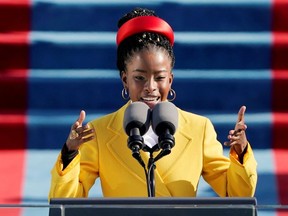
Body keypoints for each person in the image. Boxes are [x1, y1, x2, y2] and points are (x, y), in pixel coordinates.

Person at [49, 7, 257, 199]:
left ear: (170, 80)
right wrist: (70, 153)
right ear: (125, 80)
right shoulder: (100, 132)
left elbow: (237, 194)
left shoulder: (199, 128)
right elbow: (66, 203)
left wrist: (241, 152)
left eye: (159, 77)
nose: (150, 87)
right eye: (139, 78)